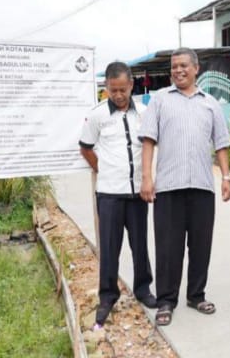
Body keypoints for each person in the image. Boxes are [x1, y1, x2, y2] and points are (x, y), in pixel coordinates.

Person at [138, 47, 230, 327]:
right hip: (169, 186)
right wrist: (146, 177)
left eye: (183, 66)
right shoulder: (160, 100)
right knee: (168, 247)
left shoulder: (210, 104)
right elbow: (148, 140)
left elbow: (221, 143)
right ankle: (166, 300)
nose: (178, 71)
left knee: (201, 245)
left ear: (196, 69)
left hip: (202, 186)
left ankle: (196, 295)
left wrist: (226, 177)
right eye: (174, 67)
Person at [79, 61, 157, 327]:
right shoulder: (97, 115)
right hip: (109, 194)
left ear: (132, 85)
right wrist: (103, 170)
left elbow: (149, 146)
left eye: (123, 89)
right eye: (113, 90)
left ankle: (143, 289)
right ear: (106, 88)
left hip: (137, 194)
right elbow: (86, 148)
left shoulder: (144, 113)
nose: (119, 95)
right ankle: (108, 296)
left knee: (140, 245)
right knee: (110, 247)